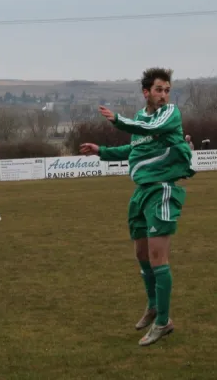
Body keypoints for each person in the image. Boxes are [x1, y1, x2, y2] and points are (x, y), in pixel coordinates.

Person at [79, 67, 195, 346]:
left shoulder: (169, 114)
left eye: (167, 90)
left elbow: (151, 129)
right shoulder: (142, 117)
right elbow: (135, 149)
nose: (164, 95)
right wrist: (101, 151)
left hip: (162, 189)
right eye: (158, 90)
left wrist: (119, 121)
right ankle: (154, 306)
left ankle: (164, 321)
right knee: (141, 253)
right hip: (141, 193)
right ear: (146, 92)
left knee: (158, 258)